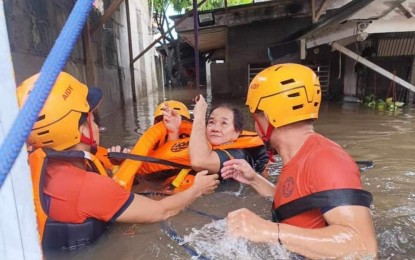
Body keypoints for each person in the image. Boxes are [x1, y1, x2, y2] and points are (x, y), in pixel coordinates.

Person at [17, 72, 219, 249]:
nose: (97, 126)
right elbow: (162, 211)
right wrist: (197, 189)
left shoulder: (31, 166)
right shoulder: (89, 187)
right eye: (93, 118)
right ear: (81, 130)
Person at [221, 63, 378, 258]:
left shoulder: (327, 159)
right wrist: (254, 179)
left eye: (256, 116)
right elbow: (297, 201)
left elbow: (363, 248)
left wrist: (267, 231)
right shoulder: (299, 156)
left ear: (268, 118)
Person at [189, 95, 269, 175]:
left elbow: (199, 162)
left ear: (236, 132)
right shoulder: (196, 144)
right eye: (211, 122)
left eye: (224, 123)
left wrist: (200, 114)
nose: (215, 129)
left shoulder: (238, 156)